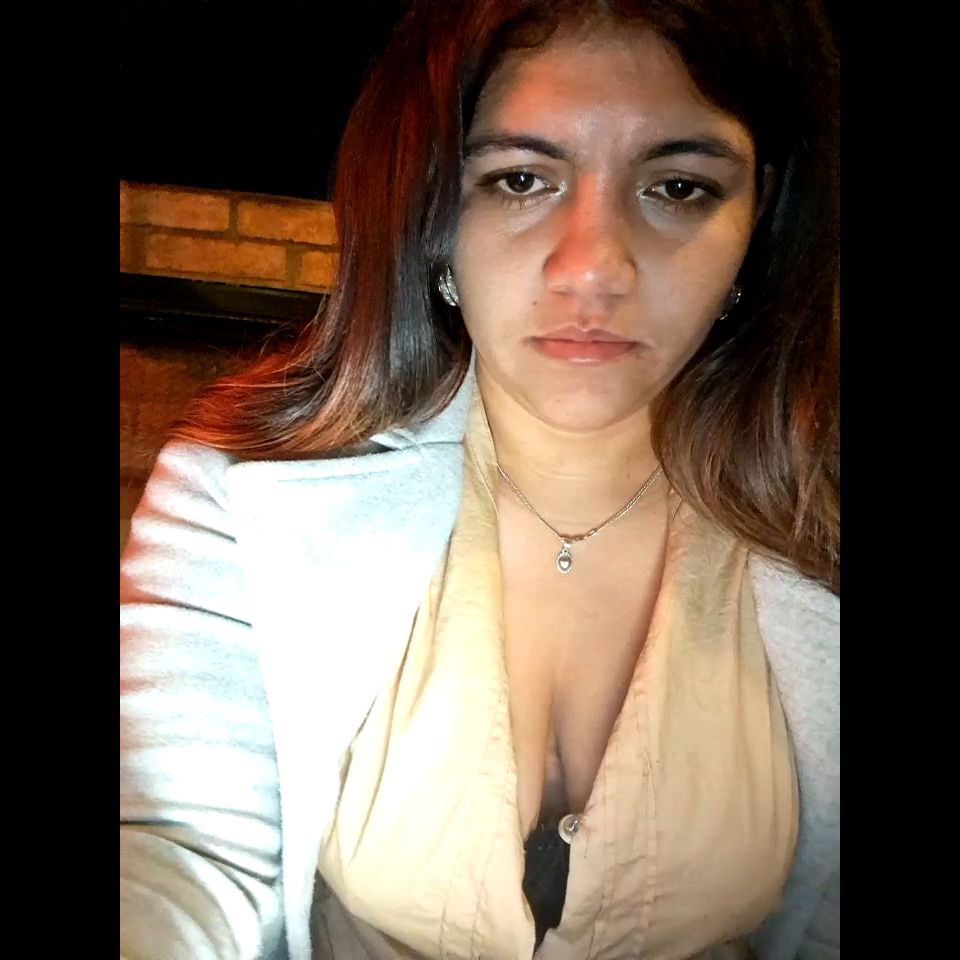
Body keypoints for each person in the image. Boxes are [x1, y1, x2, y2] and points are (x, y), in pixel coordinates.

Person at [120, 0, 839, 958]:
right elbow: (184, 854)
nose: (595, 268)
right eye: (520, 179)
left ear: (760, 220)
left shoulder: (820, 521)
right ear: (433, 221)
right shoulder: (243, 494)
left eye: (677, 187)